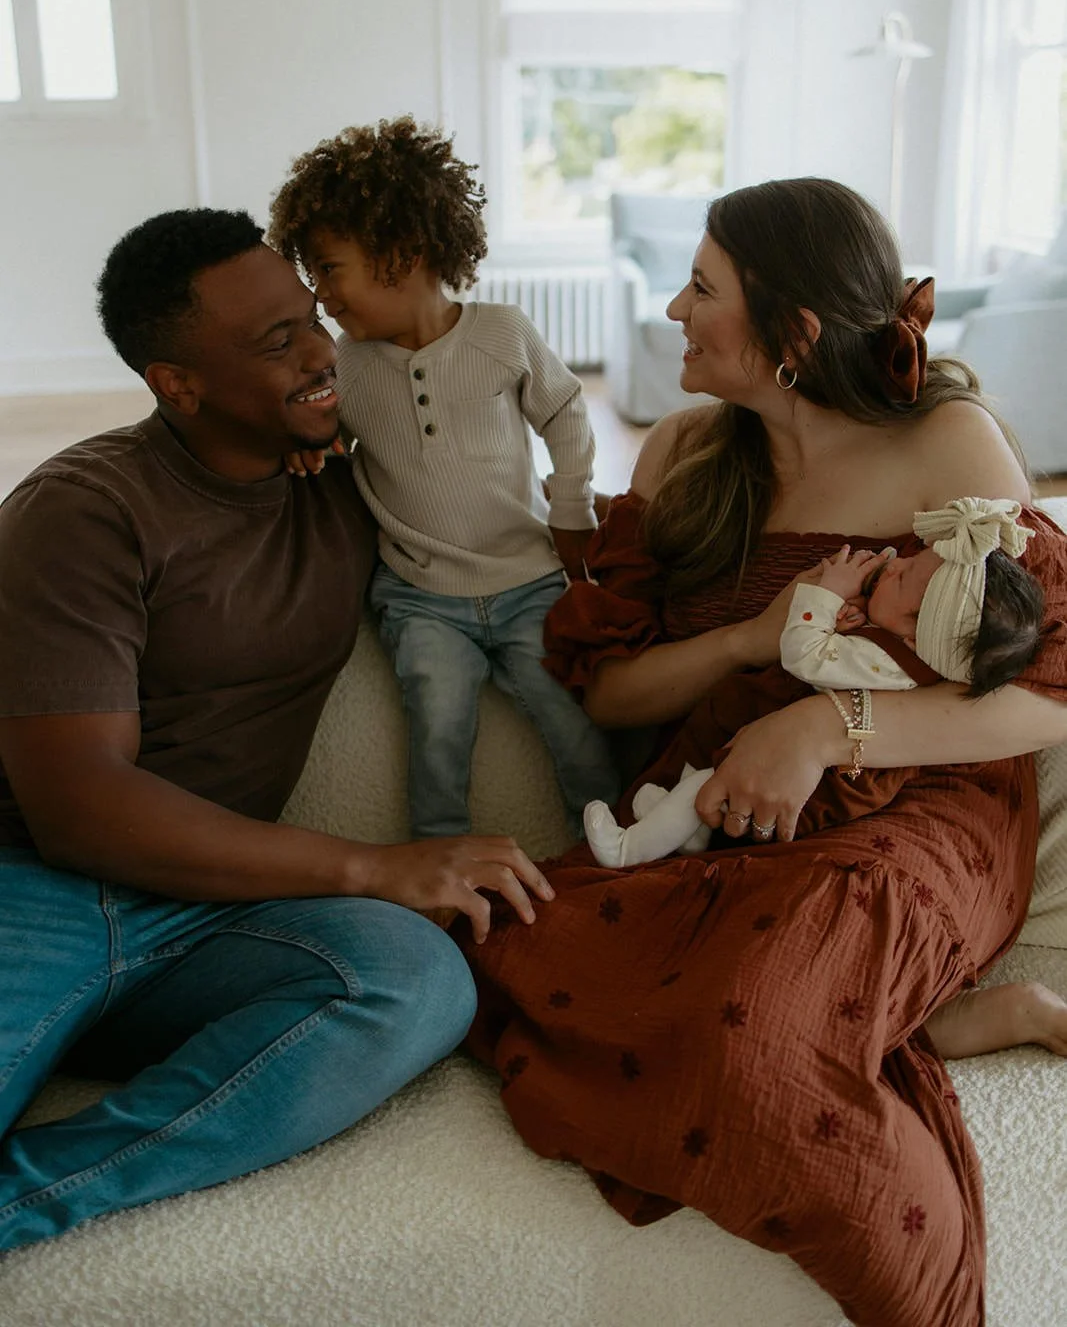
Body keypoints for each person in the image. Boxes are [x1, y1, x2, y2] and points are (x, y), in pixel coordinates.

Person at [461, 178, 1067, 1327]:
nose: (674, 311)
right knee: (497, 948)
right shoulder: (683, 452)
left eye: (701, 288)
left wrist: (823, 727)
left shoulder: (947, 441)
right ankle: (940, 1022)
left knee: (750, 1046)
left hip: (919, 800)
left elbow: (1048, 691)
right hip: (720, 806)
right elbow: (611, 689)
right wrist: (749, 639)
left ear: (792, 331)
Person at [0, 208, 552, 1253]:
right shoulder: (84, 509)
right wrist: (372, 867)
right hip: (35, 887)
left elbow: (491, 474)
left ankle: (26, 1199)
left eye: (310, 318)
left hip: (212, 916)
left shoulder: (348, 481)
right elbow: (78, 808)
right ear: (177, 384)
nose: (320, 353)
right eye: (275, 342)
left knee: (414, 983)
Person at [267, 116, 619, 840]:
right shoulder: (347, 367)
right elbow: (325, 439)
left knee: (572, 720)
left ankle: (611, 841)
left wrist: (571, 506)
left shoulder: (502, 333)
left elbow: (564, 413)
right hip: (419, 594)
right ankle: (440, 855)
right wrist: (305, 448)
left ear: (404, 252)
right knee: (437, 726)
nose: (321, 296)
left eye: (329, 269)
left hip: (527, 578)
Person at [583, 499, 1047, 866]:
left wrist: (825, 596)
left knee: (713, 783)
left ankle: (628, 847)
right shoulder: (911, 650)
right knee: (710, 774)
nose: (895, 563)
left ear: (915, 635)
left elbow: (804, 654)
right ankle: (688, 832)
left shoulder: (889, 663)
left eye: (903, 577)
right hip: (808, 749)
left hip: (821, 782)